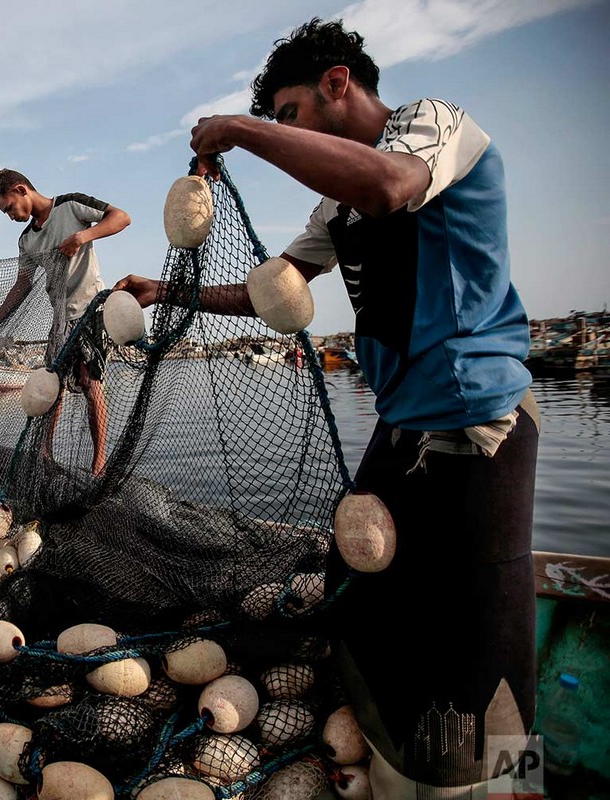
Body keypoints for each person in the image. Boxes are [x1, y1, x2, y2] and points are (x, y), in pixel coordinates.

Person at [114, 19, 537, 797]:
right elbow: (263, 290)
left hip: (479, 421)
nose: (285, 132)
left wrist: (240, 129)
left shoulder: (431, 128)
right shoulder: (334, 214)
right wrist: (161, 289)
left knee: (482, 622)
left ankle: (508, 780)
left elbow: (390, 187)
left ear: (338, 84)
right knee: (360, 578)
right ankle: (387, 750)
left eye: (291, 113)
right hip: (405, 425)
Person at [0, 169, 131, 475]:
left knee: (91, 385)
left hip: (92, 311)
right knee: (52, 386)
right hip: (61, 319)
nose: (10, 216)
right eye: (5, 213)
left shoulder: (70, 206)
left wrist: (83, 236)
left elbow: (121, 217)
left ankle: (99, 463)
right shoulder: (26, 240)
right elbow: (21, 285)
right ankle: (45, 453)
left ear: (22, 189)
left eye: (9, 208)